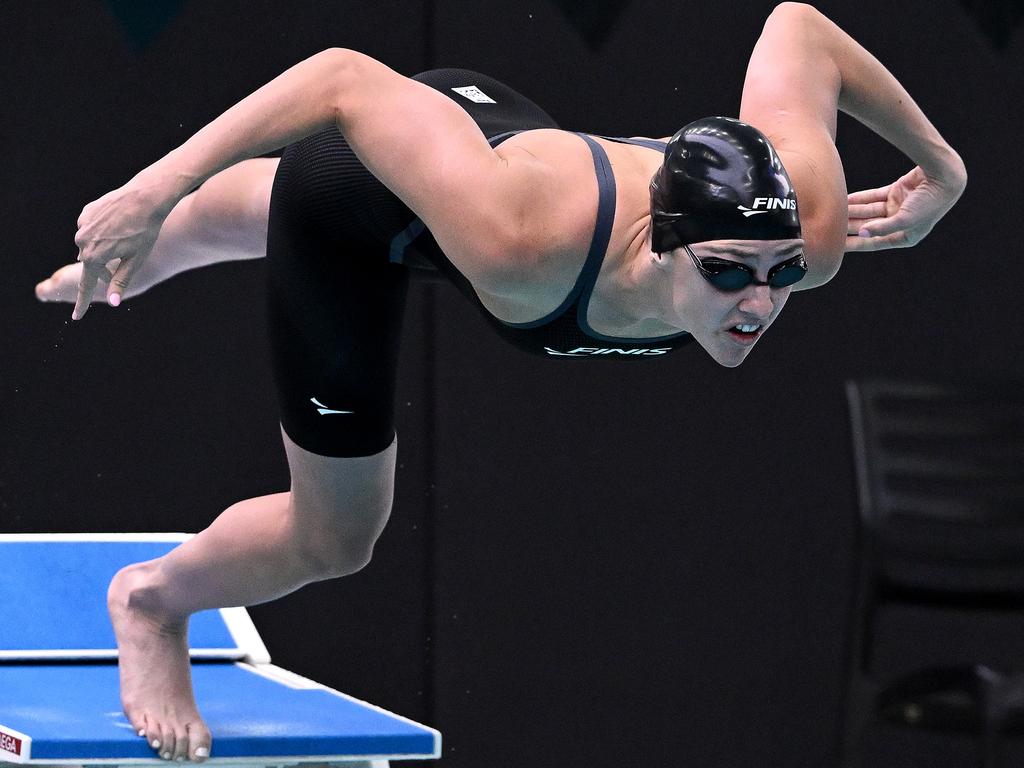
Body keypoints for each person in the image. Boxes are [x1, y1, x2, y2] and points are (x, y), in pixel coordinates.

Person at [37, 3, 966, 762]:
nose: (760, 303)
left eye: (783, 274)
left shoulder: (806, 227)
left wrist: (944, 168)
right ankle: (152, 599)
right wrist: (149, 191)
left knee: (382, 208)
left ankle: (136, 261)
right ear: (666, 238)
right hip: (422, 190)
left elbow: (799, 26)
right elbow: (343, 79)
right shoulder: (519, 240)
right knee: (334, 533)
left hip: (493, 155)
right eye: (727, 270)